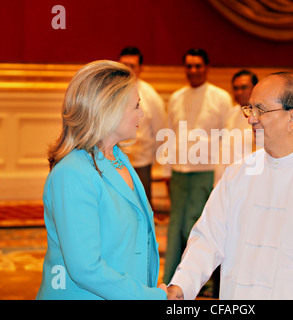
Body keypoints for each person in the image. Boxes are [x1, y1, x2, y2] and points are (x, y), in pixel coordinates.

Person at [167, 72, 293, 300]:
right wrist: (182, 285)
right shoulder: (237, 175)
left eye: (260, 110)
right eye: (250, 109)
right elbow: (207, 238)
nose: (251, 118)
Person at [36, 60, 167, 300]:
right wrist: (152, 297)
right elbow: (86, 269)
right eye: (136, 106)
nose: (142, 113)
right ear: (109, 110)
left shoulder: (118, 158)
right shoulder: (72, 173)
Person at [162, 48, 232, 284]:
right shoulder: (176, 97)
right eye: (189, 66)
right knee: (176, 228)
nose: (193, 70)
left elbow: (227, 138)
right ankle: (173, 278)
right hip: (180, 171)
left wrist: (221, 175)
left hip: (207, 171)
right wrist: (166, 171)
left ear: (206, 67)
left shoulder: (220, 97)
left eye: (198, 65)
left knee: (200, 227)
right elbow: (170, 135)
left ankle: (202, 281)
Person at [119, 46, 166, 203]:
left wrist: (151, 156)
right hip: (114, 158)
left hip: (141, 161)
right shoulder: (111, 91)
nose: (127, 69)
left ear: (140, 68)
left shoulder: (150, 95)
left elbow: (160, 130)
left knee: (142, 204)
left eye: (132, 65)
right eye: (124, 64)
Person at [215, 69, 259, 183]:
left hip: (250, 179)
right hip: (227, 178)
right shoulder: (230, 113)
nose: (239, 92)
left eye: (244, 87)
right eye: (235, 88)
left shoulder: (263, 115)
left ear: (255, 88)